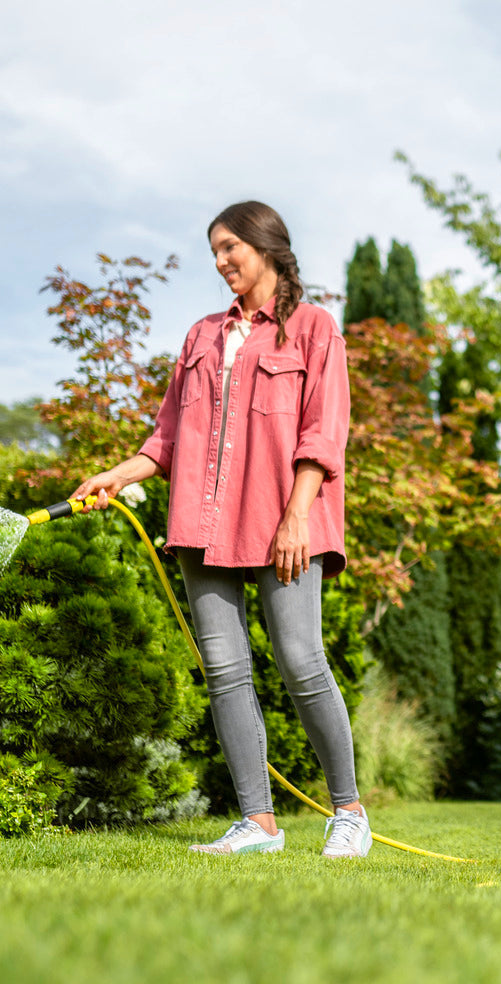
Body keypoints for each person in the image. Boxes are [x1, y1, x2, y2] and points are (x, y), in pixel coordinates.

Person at [71, 201, 370, 859]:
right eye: (214, 250)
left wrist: (297, 515)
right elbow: (167, 437)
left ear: (267, 247)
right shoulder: (202, 336)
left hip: (283, 518)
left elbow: (323, 432)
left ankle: (349, 812)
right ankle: (258, 823)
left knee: (301, 660)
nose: (220, 261)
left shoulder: (314, 328)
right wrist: (116, 475)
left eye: (230, 246)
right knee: (226, 672)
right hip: (202, 521)